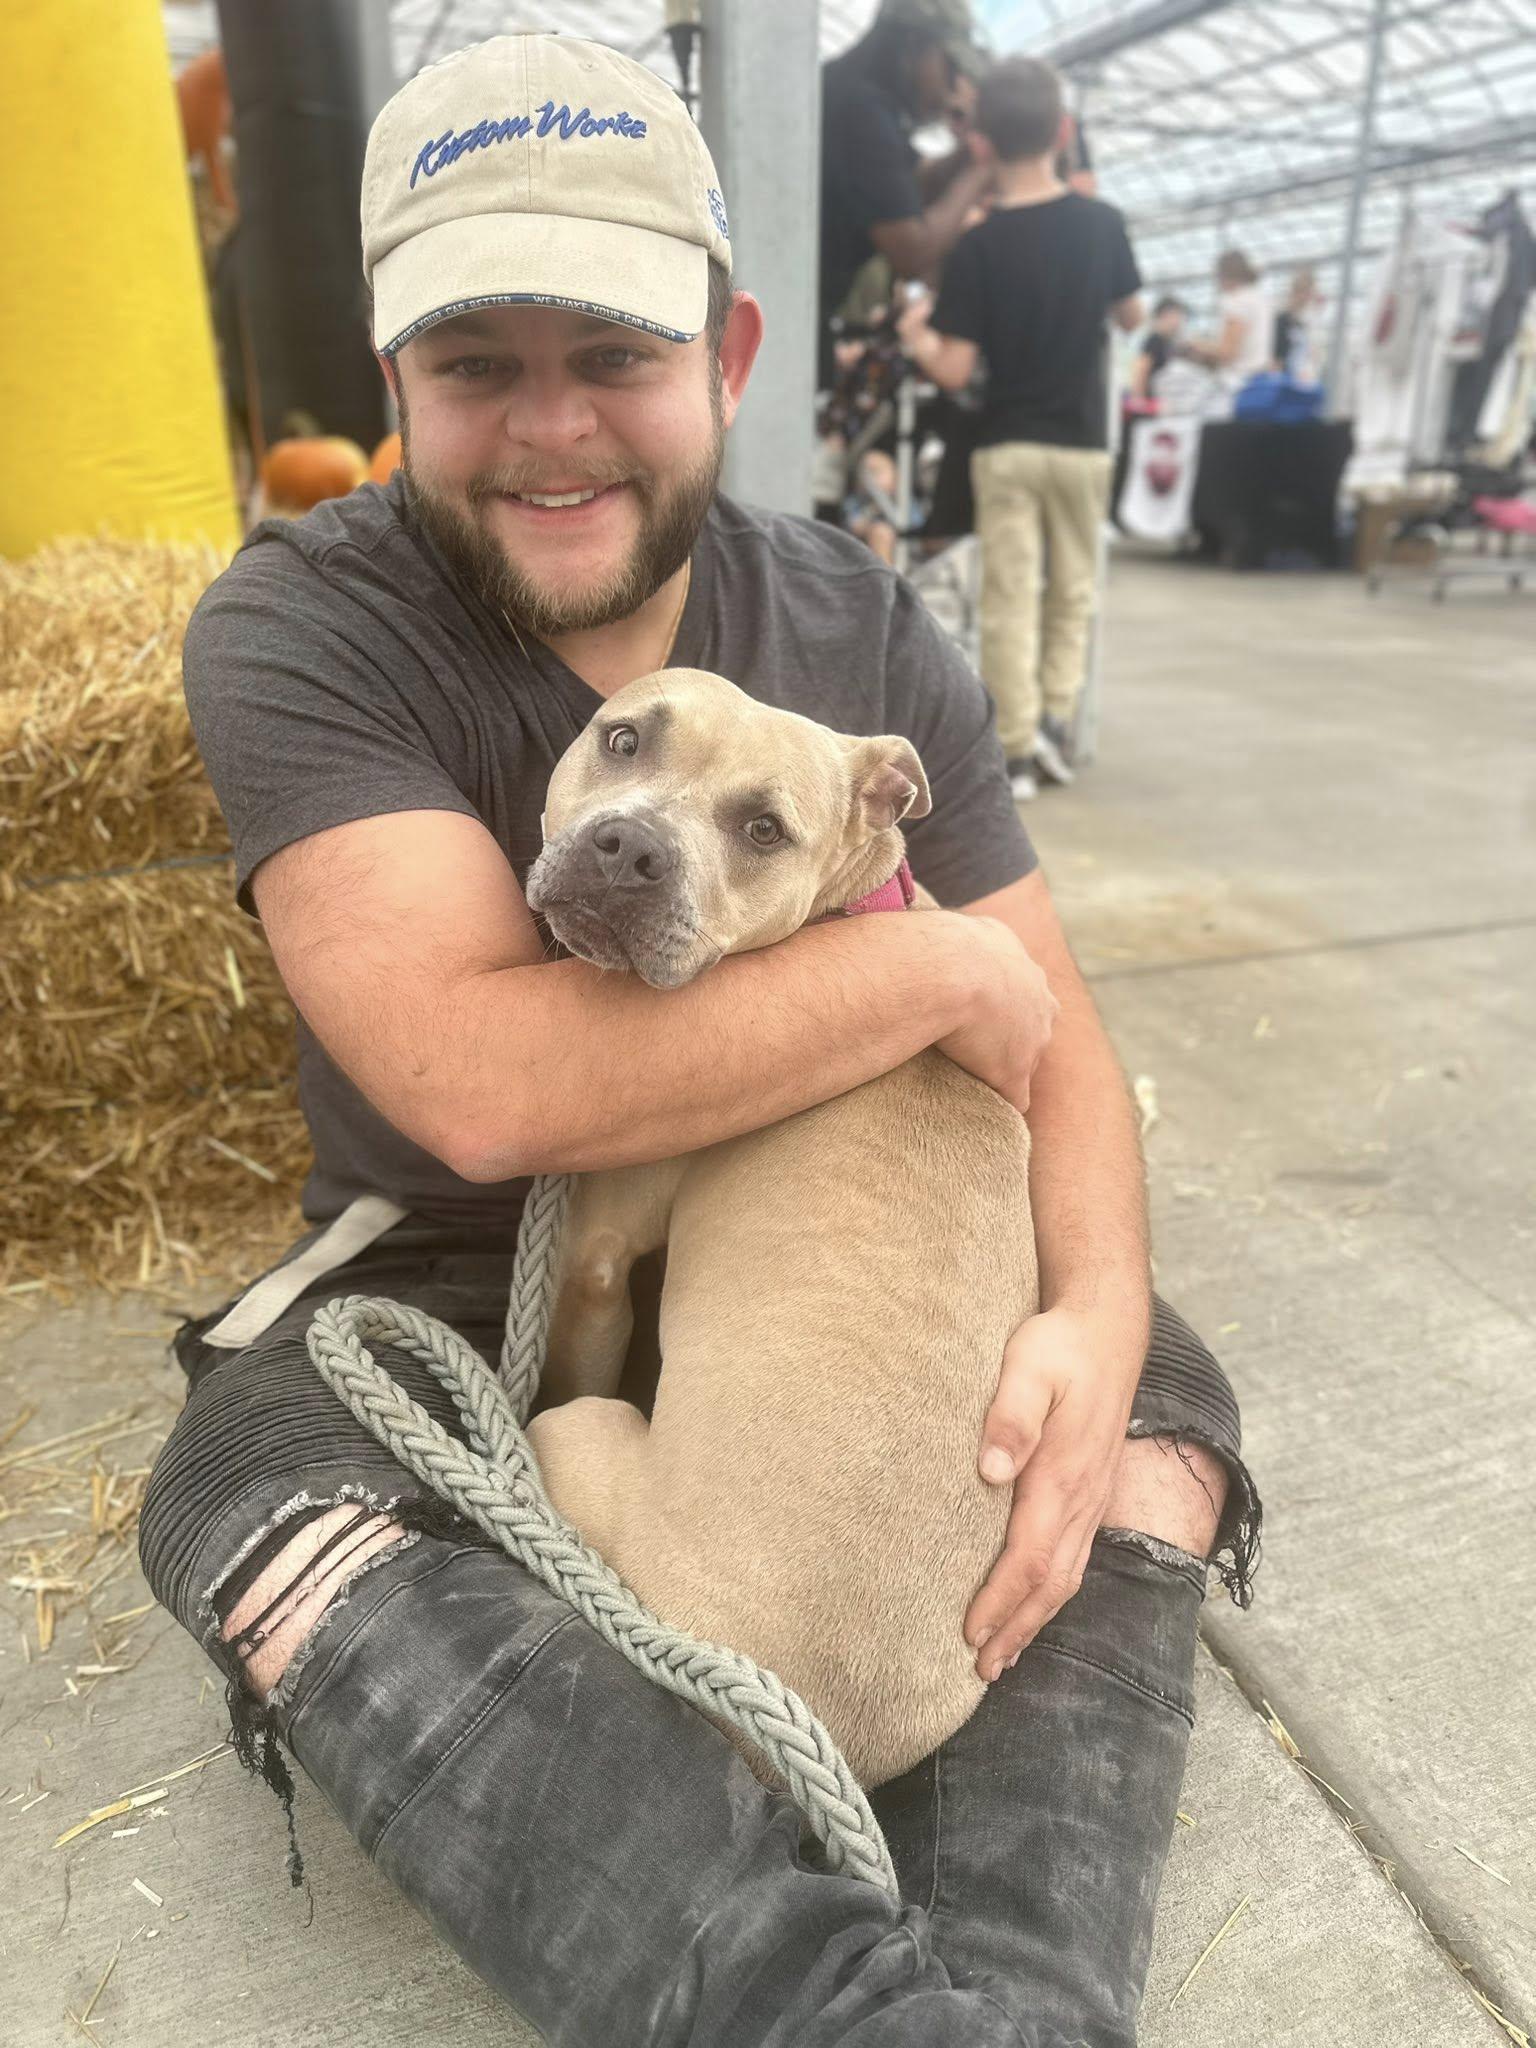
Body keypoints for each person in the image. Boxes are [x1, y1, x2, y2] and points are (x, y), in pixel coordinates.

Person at [138, 32, 1258, 2046]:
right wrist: (929, 977)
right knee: (249, 1495)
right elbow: (484, 1088)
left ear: (729, 351)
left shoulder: (866, 624)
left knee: (1162, 1393)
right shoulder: (302, 621)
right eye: (479, 362)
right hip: (462, 1257)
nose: (553, 428)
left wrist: (1085, 1319)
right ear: (392, 373)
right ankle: (834, 2005)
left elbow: (1057, 1038)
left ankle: (1006, 1992)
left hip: (832, 1265)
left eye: (618, 356)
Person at [898, 58, 1145, 801]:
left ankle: (1018, 747)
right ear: (1064, 133)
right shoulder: (1103, 226)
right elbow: (1132, 316)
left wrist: (916, 336)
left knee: (1008, 594)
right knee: (1073, 587)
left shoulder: (978, 247)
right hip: (1082, 441)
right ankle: (1060, 719)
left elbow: (952, 368)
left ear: (982, 146)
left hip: (1005, 444)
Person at [819, 0, 994, 385]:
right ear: (913, 47)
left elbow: (914, 182)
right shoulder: (861, 110)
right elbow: (911, 251)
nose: (949, 92)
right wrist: (982, 170)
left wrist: (969, 150)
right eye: (947, 69)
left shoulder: (857, 96)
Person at [1187, 247, 1274, 399]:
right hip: (1258, 382)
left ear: (1225, 275)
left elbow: (1228, 352)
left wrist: (1198, 346)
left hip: (1236, 386)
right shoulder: (1259, 298)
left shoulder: (1236, 300)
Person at [1129, 295, 1189, 401]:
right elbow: (1140, 370)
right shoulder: (1154, 340)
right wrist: (1138, 400)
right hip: (1150, 404)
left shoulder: (1169, 342)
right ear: (1163, 316)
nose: (1179, 322)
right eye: (1176, 316)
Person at [1273, 265, 1322, 381]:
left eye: (1310, 293)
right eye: (1305, 292)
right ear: (1295, 293)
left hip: (1302, 380)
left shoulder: (1303, 323)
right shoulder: (1282, 320)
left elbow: (1311, 354)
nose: (1308, 298)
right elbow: (1276, 358)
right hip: (1286, 381)